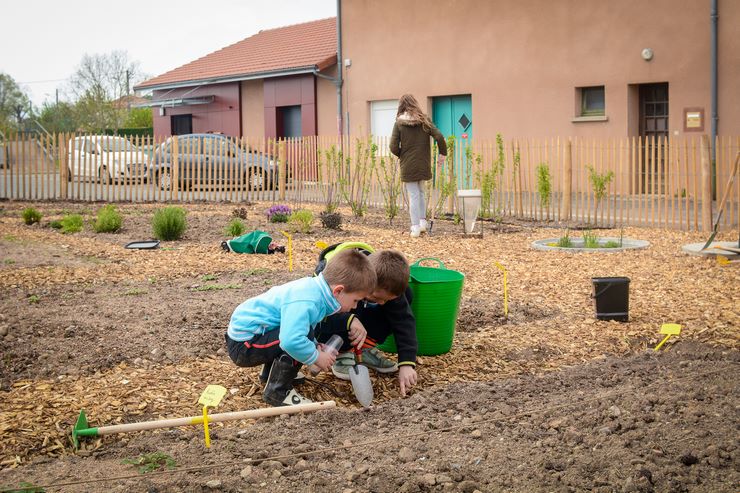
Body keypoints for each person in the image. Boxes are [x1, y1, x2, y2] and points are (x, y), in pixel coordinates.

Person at [225, 249, 376, 406]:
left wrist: (315, 345)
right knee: (297, 339)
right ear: (338, 291)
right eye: (356, 300)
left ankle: (270, 375)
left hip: (255, 335)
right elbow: (290, 341)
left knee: (303, 336)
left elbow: (303, 328)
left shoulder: (316, 292)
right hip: (244, 345)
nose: (354, 306)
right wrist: (316, 356)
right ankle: (278, 392)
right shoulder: (308, 300)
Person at [315, 244, 418, 396]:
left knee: (403, 300)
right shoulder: (341, 279)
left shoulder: (387, 283)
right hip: (328, 323)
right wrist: (349, 319)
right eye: (376, 297)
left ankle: (363, 349)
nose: (382, 303)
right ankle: (342, 353)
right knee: (350, 306)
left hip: (360, 317)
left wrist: (407, 363)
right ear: (368, 281)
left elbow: (404, 322)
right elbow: (320, 318)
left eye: (385, 300)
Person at [390, 94, 448, 238]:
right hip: (423, 163)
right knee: (421, 193)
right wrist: (443, 154)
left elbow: (392, 146)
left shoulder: (399, 123)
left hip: (408, 164)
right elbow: (439, 136)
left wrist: (401, 154)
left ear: (401, 105)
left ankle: (415, 227)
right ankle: (423, 223)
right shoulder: (424, 120)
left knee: (414, 195)